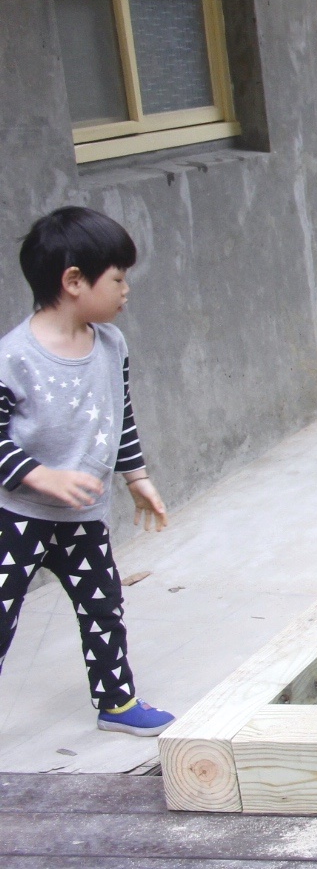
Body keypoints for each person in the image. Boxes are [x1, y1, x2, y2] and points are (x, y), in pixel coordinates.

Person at [0, 207, 173, 737]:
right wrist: (38, 474)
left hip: (83, 519)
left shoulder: (111, 345)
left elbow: (120, 413)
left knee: (104, 608)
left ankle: (117, 702)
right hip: (17, 517)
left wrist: (136, 478)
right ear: (74, 281)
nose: (126, 291)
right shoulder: (14, 358)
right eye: (118, 279)